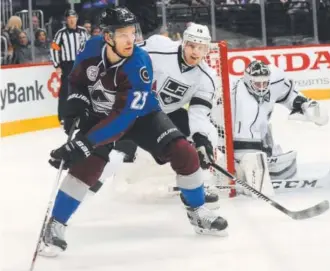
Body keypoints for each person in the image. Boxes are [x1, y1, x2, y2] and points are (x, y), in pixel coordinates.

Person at [42, 7, 228, 256]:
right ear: (107, 36)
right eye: (122, 34)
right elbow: (76, 78)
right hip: (100, 114)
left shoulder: (139, 63)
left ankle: (197, 211)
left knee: (185, 153)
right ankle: (55, 224)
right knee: (86, 167)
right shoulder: (91, 47)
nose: (131, 39)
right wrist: (74, 104)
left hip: (141, 115)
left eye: (133, 32)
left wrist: (85, 143)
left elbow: (125, 116)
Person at [89, 23, 222, 209]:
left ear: (207, 50)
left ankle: (199, 184)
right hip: (137, 107)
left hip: (169, 113)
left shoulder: (207, 77)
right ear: (183, 43)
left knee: (208, 134)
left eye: (201, 48)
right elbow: (127, 55)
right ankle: (84, 191)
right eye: (192, 45)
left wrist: (200, 139)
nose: (195, 52)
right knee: (117, 155)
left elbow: (198, 113)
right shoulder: (160, 47)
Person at [231, 60, 329, 195]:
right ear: (248, 81)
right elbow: (243, 143)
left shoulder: (274, 81)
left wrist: (306, 105)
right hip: (232, 140)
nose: (261, 88)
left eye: (264, 83)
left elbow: (289, 95)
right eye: (257, 84)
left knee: (286, 168)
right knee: (253, 170)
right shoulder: (240, 97)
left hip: (261, 133)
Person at [50, 9, 89, 122]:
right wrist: (57, 65)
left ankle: (82, 113)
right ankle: (63, 116)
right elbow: (54, 48)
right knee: (66, 90)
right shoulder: (61, 33)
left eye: (73, 18)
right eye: (69, 18)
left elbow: (89, 46)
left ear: (77, 18)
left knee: (83, 89)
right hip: (68, 65)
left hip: (81, 64)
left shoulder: (83, 31)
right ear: (66, 20)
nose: (72, 20)